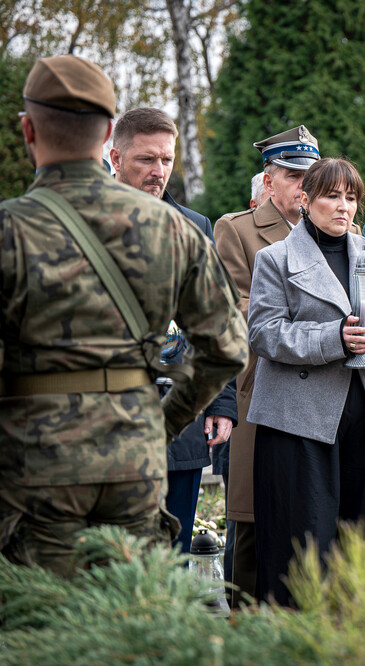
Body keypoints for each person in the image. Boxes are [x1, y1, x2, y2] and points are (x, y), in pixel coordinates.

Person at [0, 55, 247, 577]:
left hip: (36, 459)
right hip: (134, 457)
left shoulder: (9, 230)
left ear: (27, 129)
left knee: (41, 621)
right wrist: (159, 424)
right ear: (109, 135)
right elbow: (227, 348)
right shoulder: (171, 229)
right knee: (136, 617)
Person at [247, 157, 365, 606]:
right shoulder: (275, 258)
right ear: (305, 200)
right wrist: (333, 338)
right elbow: (263, 333)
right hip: (300, 422)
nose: (343, 207)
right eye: (331, 196)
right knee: (300, 545)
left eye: (351, 197)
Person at [108, 107, 238, 554]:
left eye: (166, 159)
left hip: (179, 412)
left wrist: (222, 403)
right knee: (113, 553)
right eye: (146, 159)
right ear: (115, 157)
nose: (158, 170)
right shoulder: (86, 222)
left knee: (175, 547)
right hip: (107, 418)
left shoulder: (195, 226)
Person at [214, 125, 320, 605]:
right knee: (254, 519)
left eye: (310, 175)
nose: (304, 185)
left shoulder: (345, 230)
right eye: (293, 174)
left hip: (327, 390)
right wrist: (314, 323)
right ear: (269, 180)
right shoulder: (236, 229)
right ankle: (244, 632)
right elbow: (234, 307)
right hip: (265, 388)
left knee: (320, 515)